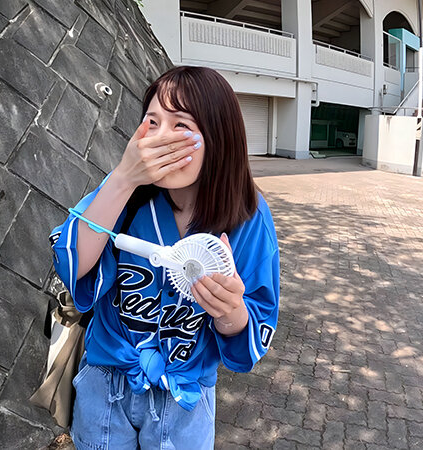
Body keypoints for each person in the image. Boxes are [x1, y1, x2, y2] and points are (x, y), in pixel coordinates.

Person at [49, 66, 280, 449]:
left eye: (180, 125)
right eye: (152, 122)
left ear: (219, 138)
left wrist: (229, 311)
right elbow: (73, 265)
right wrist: (123, 178)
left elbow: (254, 324)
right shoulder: (126, 191)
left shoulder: (248, 216)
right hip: (106, 381)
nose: (160, 139)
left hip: (185, 397)